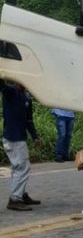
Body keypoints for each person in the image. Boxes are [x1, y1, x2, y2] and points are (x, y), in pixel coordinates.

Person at [0, 81, 42, 211]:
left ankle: (21, 194)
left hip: (20, 138)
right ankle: (15, 199)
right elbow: (2, 85)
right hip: (13, 138)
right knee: (22, 168)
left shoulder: (26, 97)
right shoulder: (11, 92)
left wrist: (35, 137)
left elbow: (29, 121)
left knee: (18, 168)